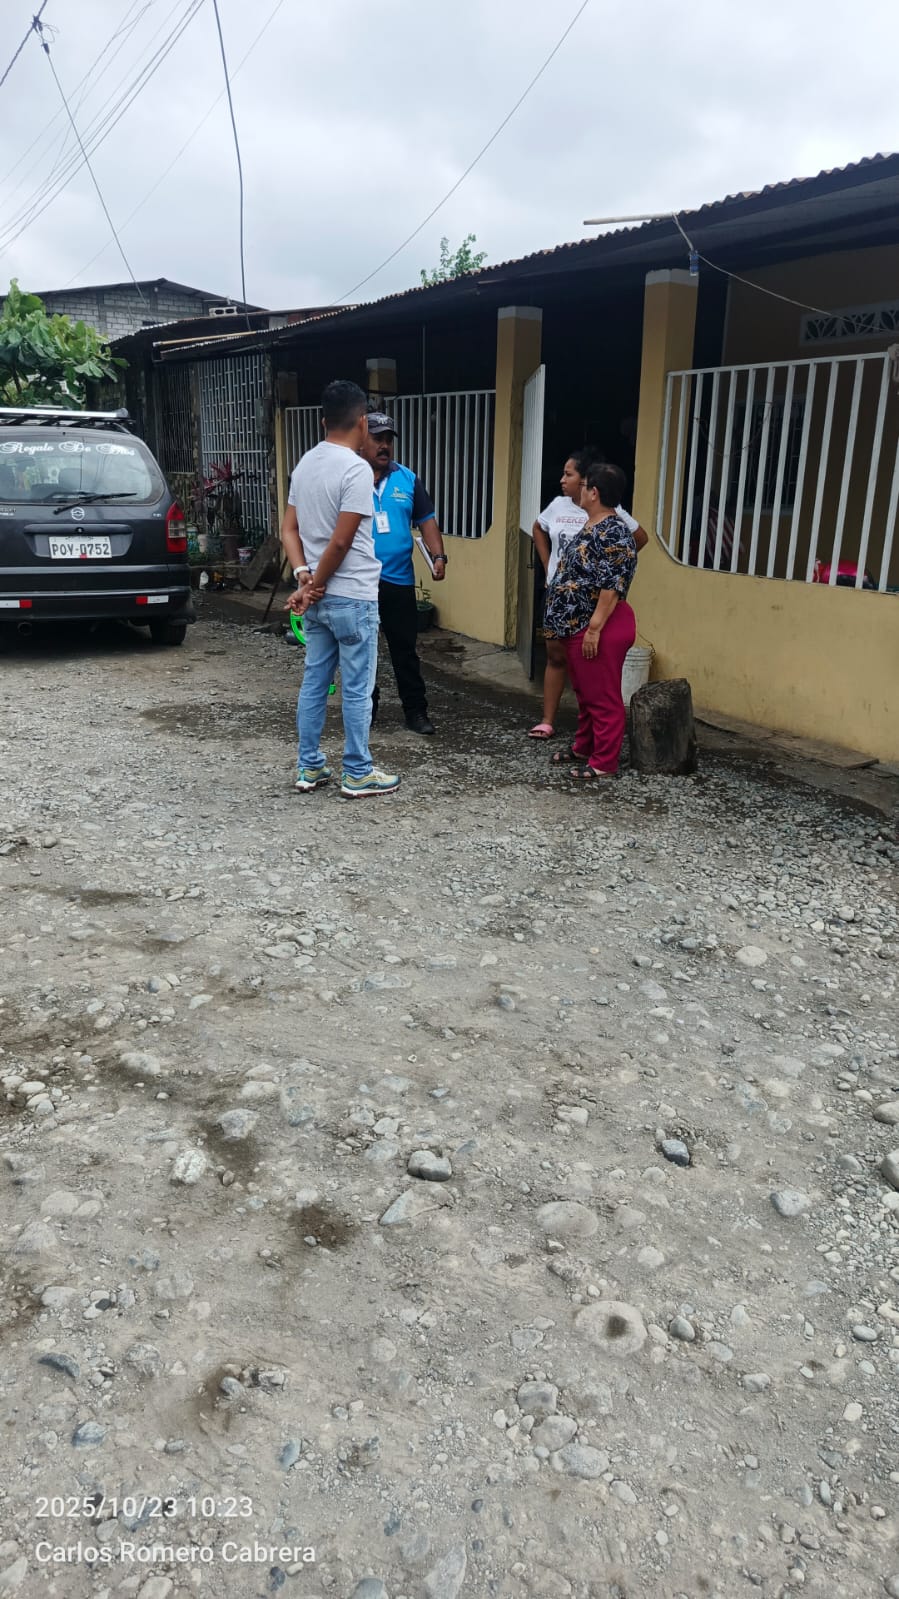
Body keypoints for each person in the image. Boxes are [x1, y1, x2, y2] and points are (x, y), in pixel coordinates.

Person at [281, 379, 400, 798]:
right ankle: (358, 771)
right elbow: (341, 542)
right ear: (363, 422)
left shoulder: (305, 464)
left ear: (322, 421)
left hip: (318, 596)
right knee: (356, 687)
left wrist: (304, 577)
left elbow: (289, 529)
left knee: (315, 681)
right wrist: (315, 583)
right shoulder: (356, 469)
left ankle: (309, 765)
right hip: (352, 595)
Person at [527, 447, 647, 738]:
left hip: (588, 611)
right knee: (560, 661)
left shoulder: (610, 520)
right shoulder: (561, 506)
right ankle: (558, 725)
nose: (562, 480)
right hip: (560, 602)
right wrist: (549, 567)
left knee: (591, 675)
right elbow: (538, 529)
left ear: (589, 486)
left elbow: (631, 548)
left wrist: (610, 568)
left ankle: (598, 748)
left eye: (569, 474)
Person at [544, 462, 637, 779]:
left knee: (602, 697)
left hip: (597, 625)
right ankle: (585, 746)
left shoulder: (614, 531)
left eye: (583, 485)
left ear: (594, 493)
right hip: (577, 625)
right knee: (586, 693)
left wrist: (594, 629)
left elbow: (613, 585)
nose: (578, 490)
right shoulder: (593, 525)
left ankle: (604, 761)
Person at [359, 413, 447, 736]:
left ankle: (415, 711)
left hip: (399, 580)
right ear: (362, 440)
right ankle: (366, 709)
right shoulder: (350, 478)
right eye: (377, 439)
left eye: (388, 440)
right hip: (360, 582)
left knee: (405, 650)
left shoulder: (408, 480)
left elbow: (427, 521)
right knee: (363, 650)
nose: (384, 446)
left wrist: (438, 556)